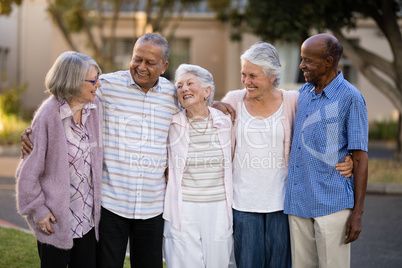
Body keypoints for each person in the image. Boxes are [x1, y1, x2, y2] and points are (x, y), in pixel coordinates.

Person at [20, 33, 235, 268]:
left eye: (150, 63)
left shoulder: (173, 96)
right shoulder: (105, 86)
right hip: (112, 205)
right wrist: (33, 131)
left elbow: (192, 100)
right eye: (137, 59)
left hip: (153, 207)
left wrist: (213, 102)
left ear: (164, 67)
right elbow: (67, 97)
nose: (141, 67)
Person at [221, 42, 353, 268]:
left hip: (282, 203)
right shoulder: (233, 100)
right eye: (243, 74)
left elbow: (322, 125)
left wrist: (347, 154)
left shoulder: (293, 100)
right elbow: (208, 124)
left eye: (253, 76)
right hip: (243, 203)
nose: (246, 81)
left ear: (272, 76)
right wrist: (211, 105)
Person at [283, 33, 369, 268]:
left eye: (307, 60)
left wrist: (357, 213)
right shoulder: (303, 95)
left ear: (328, 62)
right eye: (301, 59)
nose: (301, 66)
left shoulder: (351, 98)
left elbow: (360, 158)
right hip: (298, 204)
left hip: (332, 204)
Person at [16, 51, 103, 268]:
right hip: (55, 221)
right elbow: (27, 172)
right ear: (73, 81)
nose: (99, 84)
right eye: (93, 80)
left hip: (87, 222)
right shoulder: (48, 114)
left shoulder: (94, 107)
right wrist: (39, 211)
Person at [163, 64, 233, 267]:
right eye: (179, 85)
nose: (183, 89)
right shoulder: (172, 123)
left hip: (218, 205)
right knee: (183, 261)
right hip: (184, 205)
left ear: (207, 91)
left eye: (190, 83)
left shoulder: (226, 121)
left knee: (217, 262)